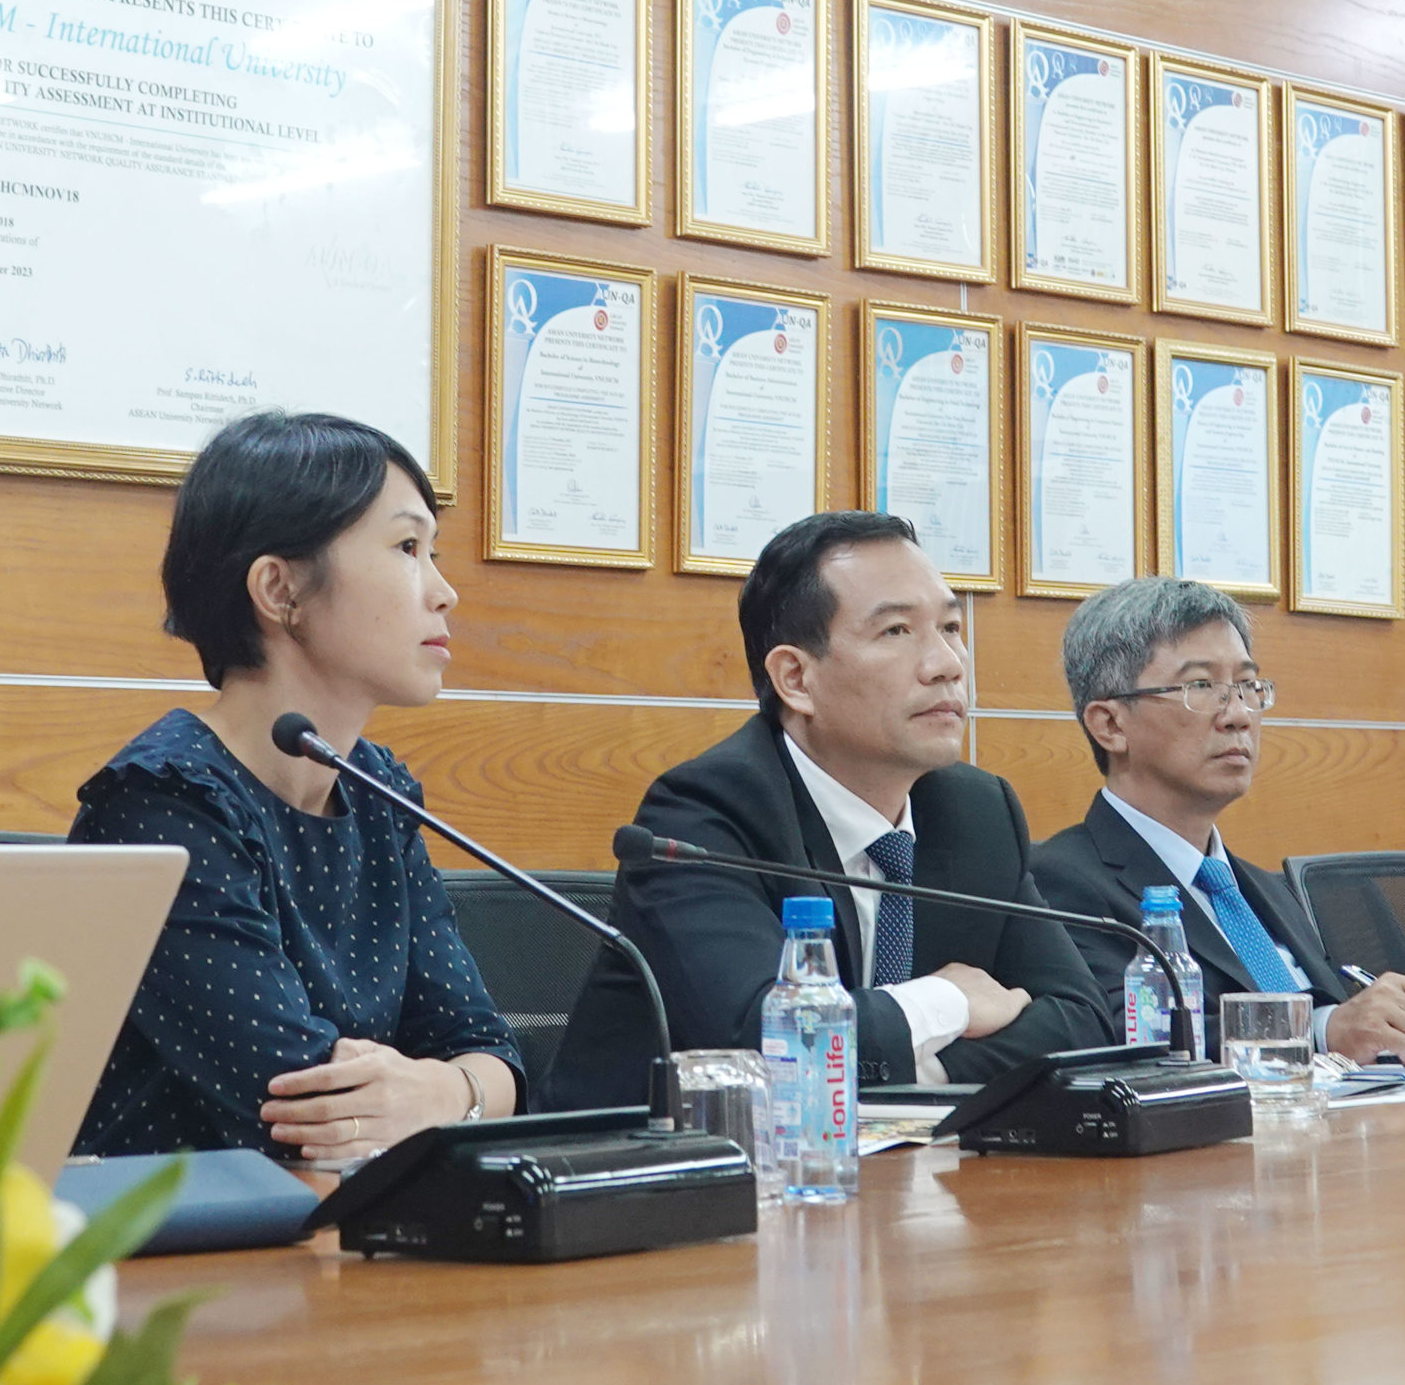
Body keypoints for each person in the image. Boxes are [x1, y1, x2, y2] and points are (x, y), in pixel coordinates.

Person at [70, 412, 523, 1160]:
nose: (445, 593)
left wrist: (448, 1093)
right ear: (280, 589)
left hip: (354, 1211)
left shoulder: (377, 792)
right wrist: (447, 1091)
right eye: (407, 548)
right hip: (188, 1225)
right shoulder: (161, 804)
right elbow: (298, 1103)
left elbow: (490, 1051)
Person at [545, 512, 1113, 1108]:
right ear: (795, 678)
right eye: (897, 631)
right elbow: (765, 1039)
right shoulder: (703, 814)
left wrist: (924, 1072)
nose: (947, 663)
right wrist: (948, 1002)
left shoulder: (977, 812)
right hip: (666, 1159)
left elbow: (1083, 1023)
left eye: (950, 627)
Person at [1029, 578, 1405, 1063]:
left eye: (1248, 686)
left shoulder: (1265, 890)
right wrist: (1322, 1031)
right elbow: (1128, 1037)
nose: (1238, 715)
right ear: (1110, 725)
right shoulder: (1058, 883)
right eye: (1201, 686)